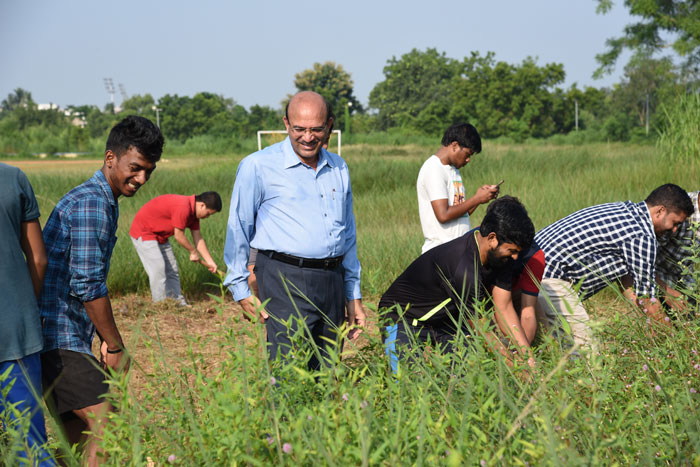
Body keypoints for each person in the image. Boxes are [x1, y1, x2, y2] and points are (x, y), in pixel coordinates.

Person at [39, 115, 163, 466]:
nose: (141, 179)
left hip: (66, 337)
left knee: (77, 442)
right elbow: (88, 285)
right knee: (110, 424)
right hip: (58, 337)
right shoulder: (92, 203)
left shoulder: (100, 199)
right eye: (135, 168)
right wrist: (115, 344)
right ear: (111, 158)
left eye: (148, 172)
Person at [224, 91, 365, 370]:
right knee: (290, 371)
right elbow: (238, 228)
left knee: (327, 369)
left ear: (329, 126)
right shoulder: (258, 166)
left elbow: (347, 235)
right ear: (286, 124)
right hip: (284, 278)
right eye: (299, 129)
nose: (308, 137)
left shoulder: (338, 167)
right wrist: (239, 288)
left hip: (332, 280)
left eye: (316, 129)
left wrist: (353, 294)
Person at [379, 196, 535, 373]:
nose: (515, 257)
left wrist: (527, 357)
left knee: (468, 378)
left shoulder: (502, 258)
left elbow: (504, 307)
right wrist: (515, 369)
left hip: (447, 322)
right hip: (402, 318)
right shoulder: (463, 265)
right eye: (512, 250)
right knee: (406, 383)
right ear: (492, 238)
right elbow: (480, 326)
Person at [534, 184, 693, 349]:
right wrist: (677, 345)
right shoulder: (642, 235)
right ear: (660, 211)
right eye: (675, 223)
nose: (674, 231)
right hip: (549, 276)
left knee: (543, 343)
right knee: (585, 354)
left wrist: (650, 325)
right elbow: (648, 299)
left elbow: (627, 279)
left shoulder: (625, 210)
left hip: (530, 265)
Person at [0, 163, 54, 466]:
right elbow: (38, 258)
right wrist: (23, 306)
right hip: (15, 329)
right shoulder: (13, 178)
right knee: (29, 445)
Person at [417, 123, 499, 253]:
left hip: (457, 249)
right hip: (440, 252)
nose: (468, 160)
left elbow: (461, 213)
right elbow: (443, 215)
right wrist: (477, 199)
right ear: (454, 146)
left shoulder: (453, 170)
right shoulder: (434, 169)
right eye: (467, 154)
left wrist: (481, 197)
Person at [129, 191, 222, 306]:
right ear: (202, 205)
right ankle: (160, 305)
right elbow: (179, 236)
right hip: (144, 232)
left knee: (172, 270)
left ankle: (178, 303)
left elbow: (198, 238)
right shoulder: (183, 207)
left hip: (161, 236)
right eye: (208, 214)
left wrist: (210, 262)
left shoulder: (194, 215)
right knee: (158, 268)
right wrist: (192, 251)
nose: (207, 217)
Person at [655, 190, 700, 314]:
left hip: (686, 278)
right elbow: (640, 260)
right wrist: (665, 291)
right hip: (656, 275)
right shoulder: (678, 208)